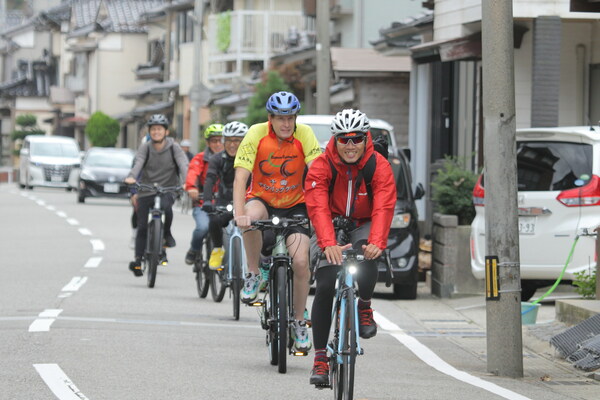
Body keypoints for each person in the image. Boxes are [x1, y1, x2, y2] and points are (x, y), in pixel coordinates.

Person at [304, 109, 396, 386]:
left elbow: (384, 205)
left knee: (368, 255)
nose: (350, 146)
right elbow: (317, 206)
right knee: (324, 284)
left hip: (364, 221)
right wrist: (327, 242)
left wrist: (377, 242)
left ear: (365, 138)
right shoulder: (321, 165)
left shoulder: (378, 165)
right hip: (329, 223)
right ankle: (320, 357)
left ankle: (364, 305)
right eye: (344, 140)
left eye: (357, 139)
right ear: (335, 139)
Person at [233, 91, 321, 352]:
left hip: (296, 204)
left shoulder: (304, 134)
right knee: (251, 214)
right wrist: (239, 214)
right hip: (263, 199)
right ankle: (253, 272)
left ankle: (298, 321)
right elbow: (240, 178)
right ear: (270, 118)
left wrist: (322, 211)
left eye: (290, 118)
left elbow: (318, 174)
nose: (286, 124)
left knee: (301, 262)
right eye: (280, 118)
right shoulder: (256, 133)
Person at [125, 114, 189, 276]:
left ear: (166, 132)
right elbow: (138, 162)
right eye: (153, 129)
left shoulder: (174, 147)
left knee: (167, 209)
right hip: (146, 190)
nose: (156, 132)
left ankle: (166, 234)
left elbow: (183, 164)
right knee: (142, 226)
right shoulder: (145, 147)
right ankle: (138, 260)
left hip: (167, 189)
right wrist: (132, 177)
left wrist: (188, 181)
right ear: (150, 132)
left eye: (159, 129)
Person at [201, 121, 249, 269]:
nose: (232, 144)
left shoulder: (251, 158)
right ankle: (217, 248)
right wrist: (207, 200)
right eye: (228, 140)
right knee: (214, 220)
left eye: (236, 141)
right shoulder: (217, 159)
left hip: (247, 201)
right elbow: (210, 179)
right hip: (224, 200)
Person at [184, 124, 225, 267]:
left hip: (224, 203)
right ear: (207, 143)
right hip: (202, 202)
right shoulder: (200, 158)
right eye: (214, 141)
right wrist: (191, 188)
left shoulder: (232, 158)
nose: (218, 144)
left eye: (221, 141)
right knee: (203, 227)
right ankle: (194, 250)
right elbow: (192, 173)